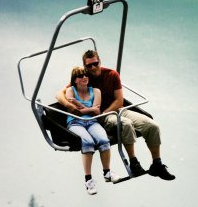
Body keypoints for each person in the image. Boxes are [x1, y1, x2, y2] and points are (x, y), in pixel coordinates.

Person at [56, 50, 175, 180]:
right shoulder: (85, 79)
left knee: (152, 126)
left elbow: (119, 100)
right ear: (85, 67)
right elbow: (60, 94)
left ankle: (157, 164)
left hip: (116, 110)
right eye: (89, 66)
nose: (93, 68)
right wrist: (69, 106)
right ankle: (133, 162)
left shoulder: (112, 74)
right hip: (103, 117)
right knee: (125, 124)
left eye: (95, 64)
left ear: (99, 61)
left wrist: (106, 111)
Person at [65, 66, 116, 195]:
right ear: (75, 80)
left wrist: (79, 105)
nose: (84, 78)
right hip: (75, 122)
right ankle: (88, 180)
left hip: (92, 121)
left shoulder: (95, 91)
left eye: (85, 75)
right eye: (80, 76)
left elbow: (97, 111)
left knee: (104, 141)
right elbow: (74, 112)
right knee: (87, 142)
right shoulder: (70, 91)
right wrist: (88, 109)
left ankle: (107, 172)